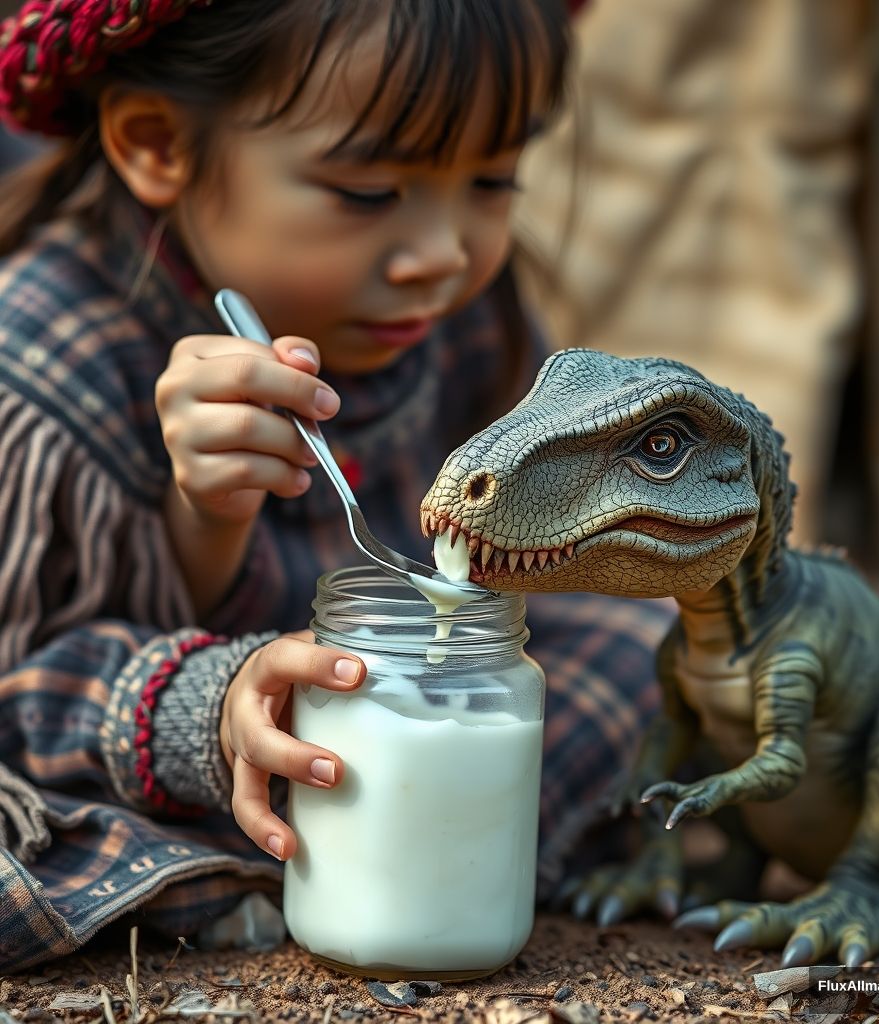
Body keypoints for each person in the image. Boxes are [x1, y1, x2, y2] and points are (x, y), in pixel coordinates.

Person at [0, 0, 672, 972]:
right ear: (157, 144)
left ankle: (340, 856)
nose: (442, 253)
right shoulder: (46, 364)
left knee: (641, 654)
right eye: (367, 191)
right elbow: (25, 696)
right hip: (125, 734)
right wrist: (210, 565)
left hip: (367, 708)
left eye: (493, 180)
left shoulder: (447, 314)